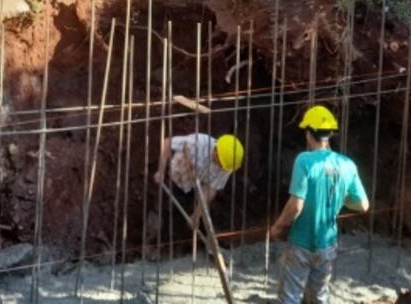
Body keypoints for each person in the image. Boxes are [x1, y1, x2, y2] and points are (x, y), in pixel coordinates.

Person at [268, 105, 369, 304]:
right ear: (330, 134)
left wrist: (278, 227)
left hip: (301, 243)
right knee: (319, 297)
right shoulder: (347, 164)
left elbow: (296, 205)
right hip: (328, 244)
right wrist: (340, 197)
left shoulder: (304, 161)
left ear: (308, 133)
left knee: (290, 297)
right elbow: (363, 205)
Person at [154, 132, 244, 225]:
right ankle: (161, 212)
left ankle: (191, 209)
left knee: (197, 202)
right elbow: (167, 142)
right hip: (179, 173)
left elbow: (211, 189)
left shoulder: (227, 165)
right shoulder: (198, 143)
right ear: (216, 152)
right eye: (220, 164)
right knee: (168, 199)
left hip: (198, 184)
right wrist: (161, 171)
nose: (222, 168)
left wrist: (197, 215)